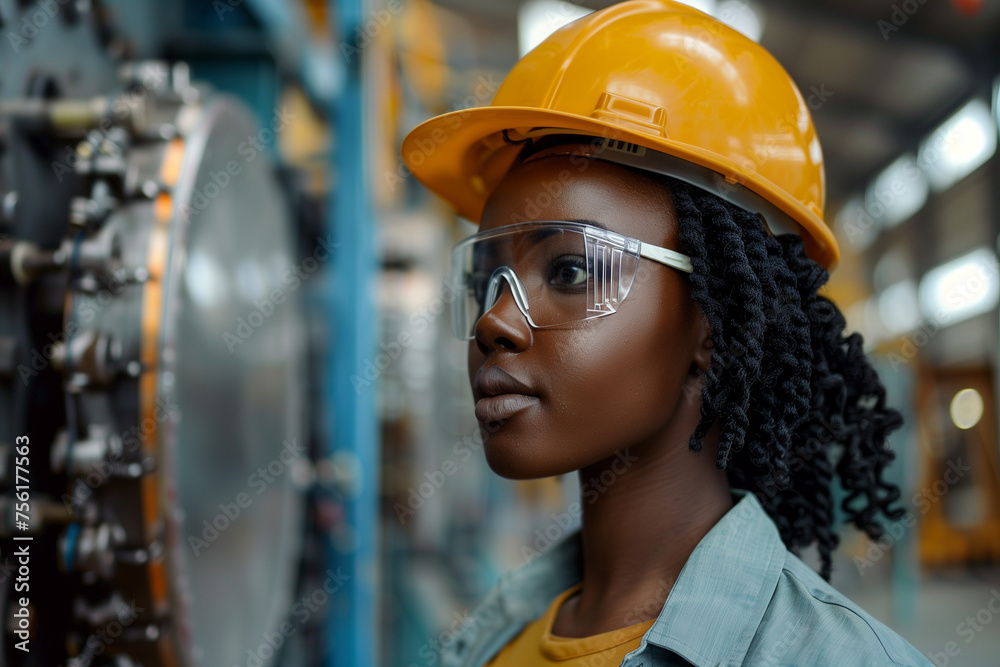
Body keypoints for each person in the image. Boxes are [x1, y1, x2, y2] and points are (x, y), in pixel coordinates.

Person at [401, 1, 933, 665]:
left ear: (715, 324)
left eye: (567, 269)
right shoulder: (493, 638)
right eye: (487, 280)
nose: (493, 321)